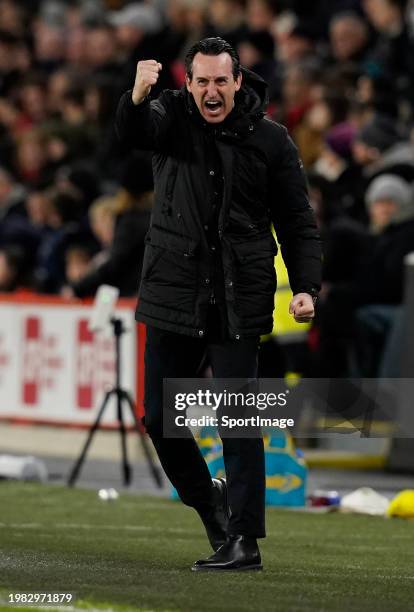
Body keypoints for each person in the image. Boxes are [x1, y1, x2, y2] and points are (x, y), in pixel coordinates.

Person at [115, 37, 321, 572]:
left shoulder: (271, 140)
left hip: (239, 292)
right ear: (189, 84)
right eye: (201, 81)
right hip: (173, 290)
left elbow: (297, 221)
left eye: (220, 82)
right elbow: (132, 134)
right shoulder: (167, 116)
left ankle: (245, 541)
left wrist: (306, 286)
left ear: (237, 81)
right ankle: (211, 504)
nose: (211, 91)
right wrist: (135, 96)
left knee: (239, 414)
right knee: (161, 419)